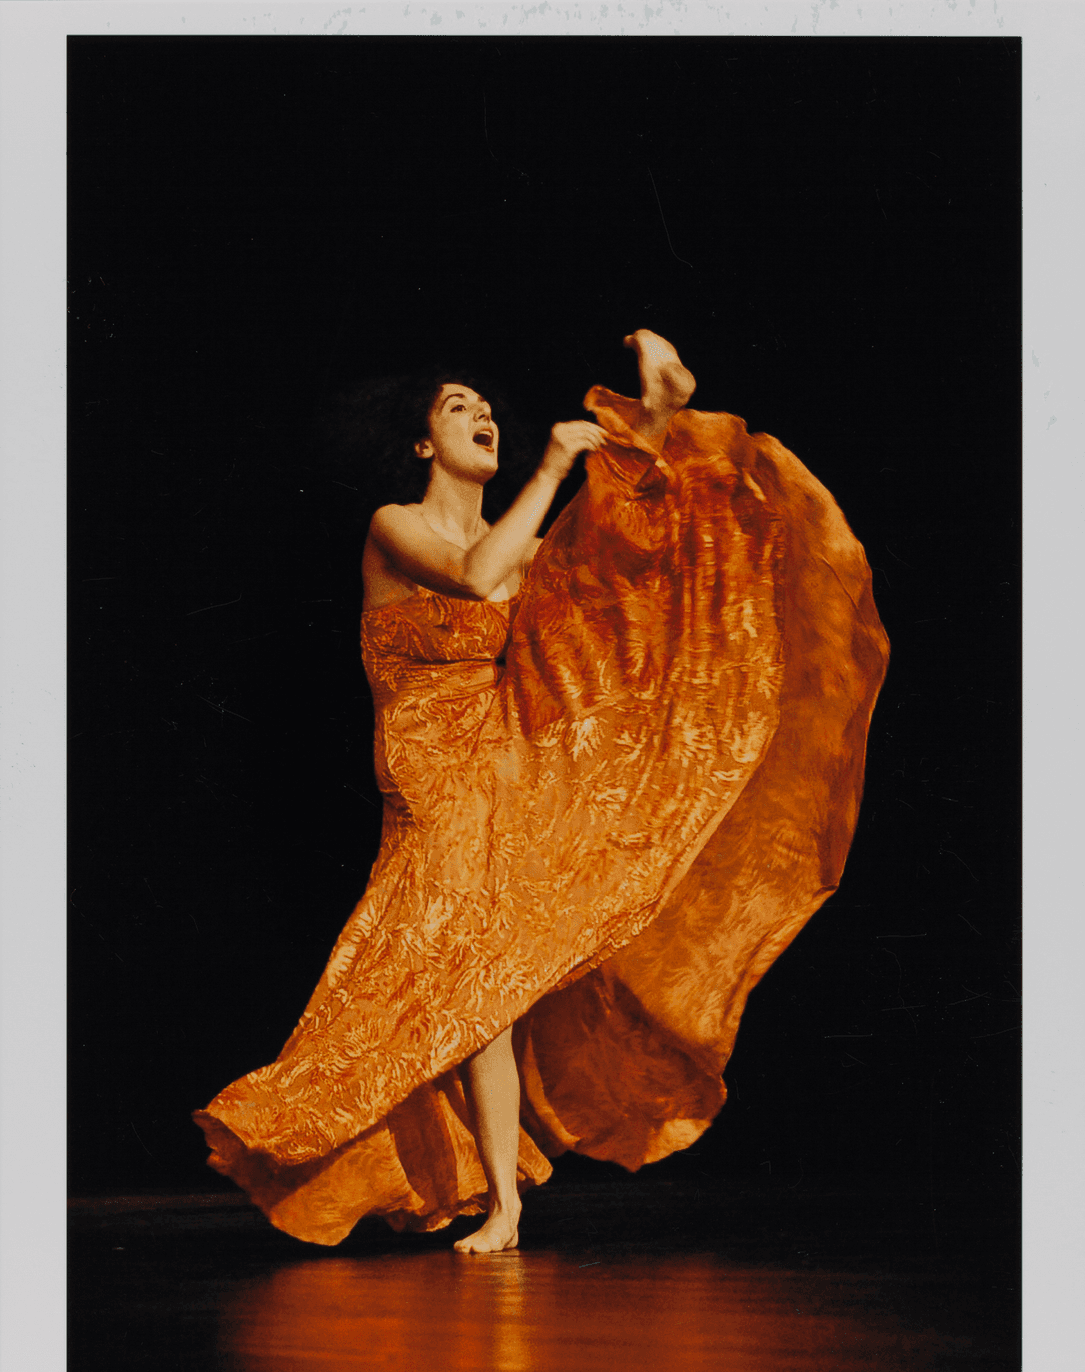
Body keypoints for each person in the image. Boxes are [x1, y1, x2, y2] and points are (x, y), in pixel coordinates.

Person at [194, 331, 889, 1253]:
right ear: (420, 442)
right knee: (450, 966)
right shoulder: (394, 525)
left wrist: (646, 436)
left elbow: (596, 564)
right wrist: (558, 461)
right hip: (428, 766)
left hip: (502, 757)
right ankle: (422, 1168)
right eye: (456, 407)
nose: (480, 413)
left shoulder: (516, 544)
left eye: (484, 405)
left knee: (489, 976)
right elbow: (475, 577)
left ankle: (505, 1206)